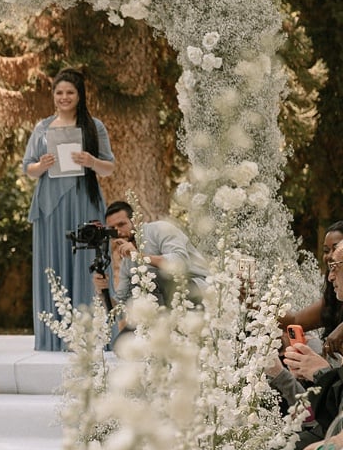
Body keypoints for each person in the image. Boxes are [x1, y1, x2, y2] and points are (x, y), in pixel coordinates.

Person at [22, 68, 116, 351]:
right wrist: (42, 166)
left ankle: (90, 335)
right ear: (53, 95)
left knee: (87, 263)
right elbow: (28, 168)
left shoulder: (94, 127)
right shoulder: (42, 127)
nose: (64, 97)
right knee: (53, 264)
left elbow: (109, 167)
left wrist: (90, 160)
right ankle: (54, 337)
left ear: (80, 95)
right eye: (59, 92)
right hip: (50, 205)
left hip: (83, 201)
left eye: (70, 92)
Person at [100, 201, 209, 307]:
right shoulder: (127, 263)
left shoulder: (159, 229)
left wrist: (139, 257)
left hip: (200, 290)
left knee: (162, 280)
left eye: (121, 224)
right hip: (166, 306)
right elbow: (120, 304)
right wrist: (102, 290)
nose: (117, 231)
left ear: (135, 221)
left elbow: (180, 262)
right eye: (112, 228)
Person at [281, 221, 343, 354]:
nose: (330, 256)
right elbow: (295, 321)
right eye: (326, 250)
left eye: (336, 248)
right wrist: (255, 304)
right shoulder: (334, 298)